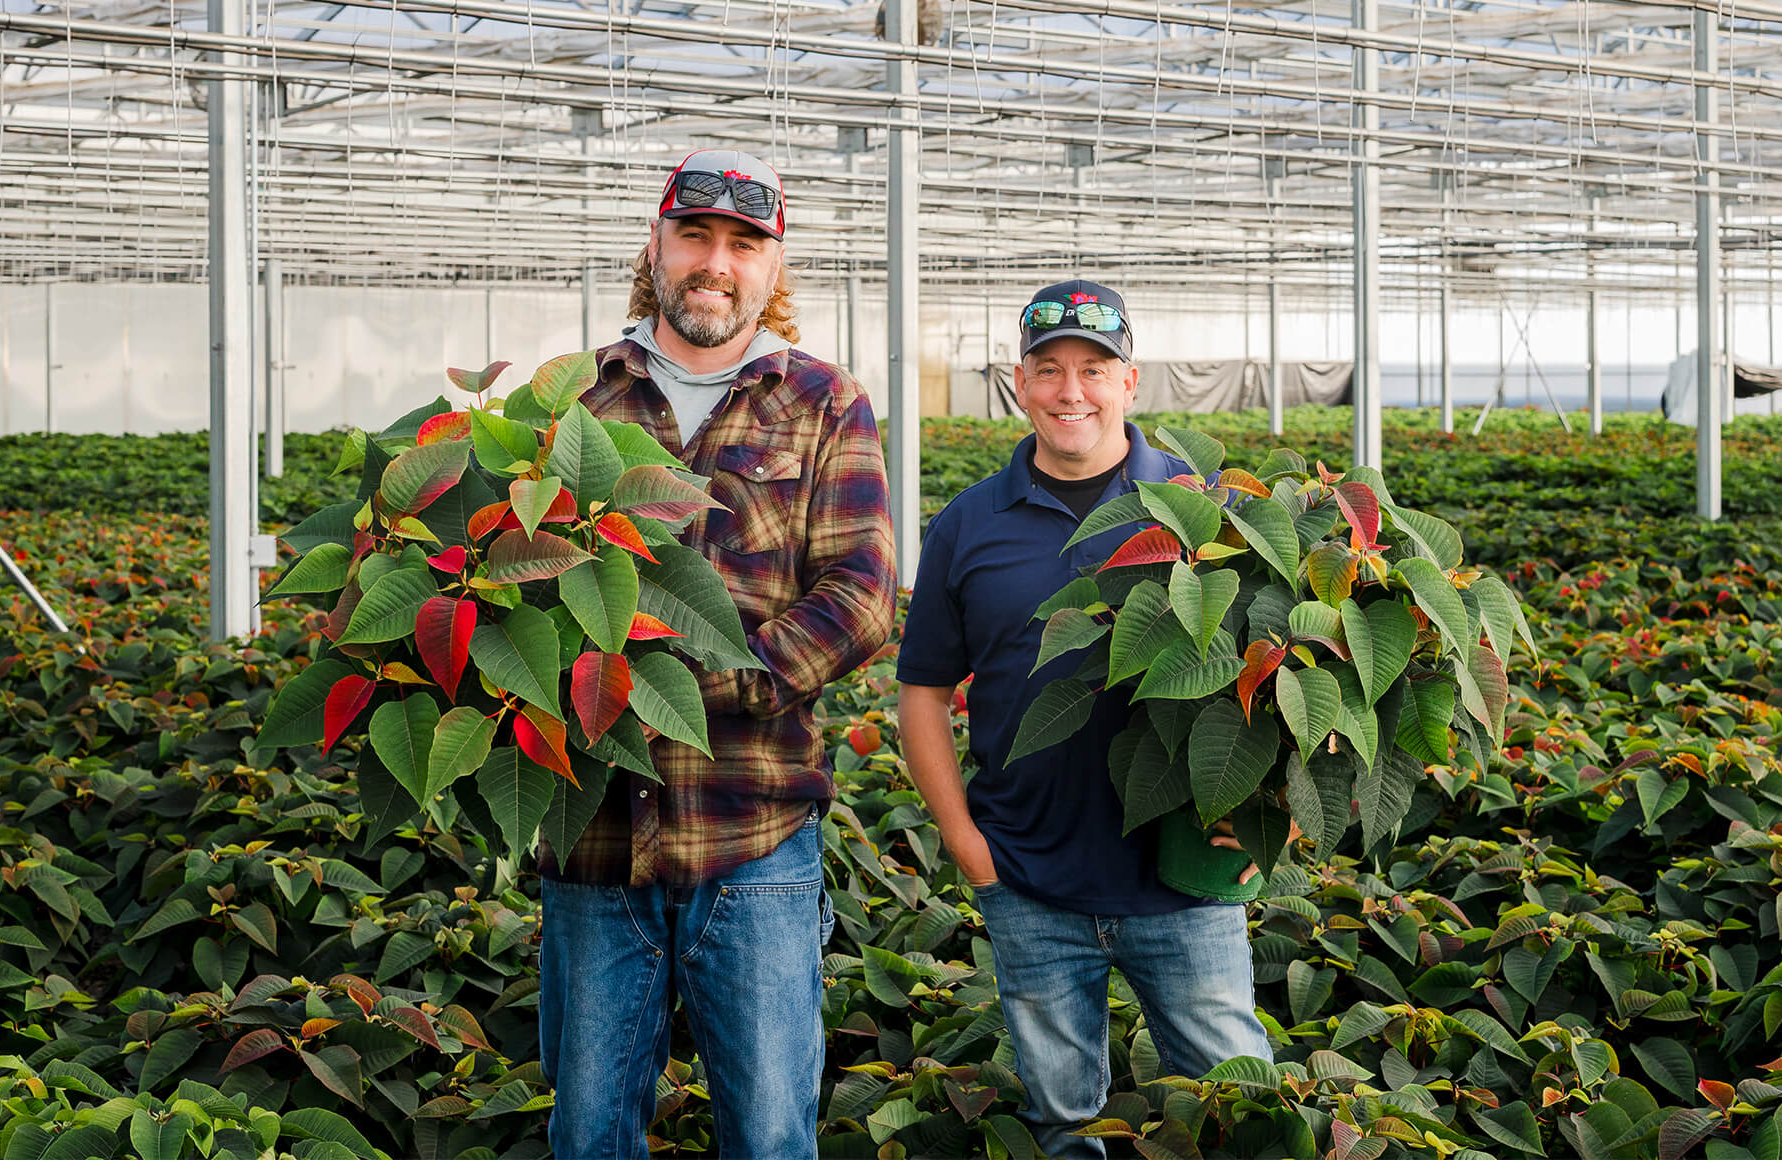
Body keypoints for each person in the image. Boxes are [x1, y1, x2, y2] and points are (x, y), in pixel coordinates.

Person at [536, 147, 895, 1159]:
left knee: (773, 1133)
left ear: (773, 268)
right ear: (654, 245)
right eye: (694, 236)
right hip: (594, 839)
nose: (715, 263)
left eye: (744, 244)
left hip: (757, 833)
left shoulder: (825, 402)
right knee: (588, 1130)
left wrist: (679, 684)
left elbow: (861, 597)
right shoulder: (573, 404)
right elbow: (506, 579)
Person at [894, 280, 1272, 1157]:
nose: (1072, 391)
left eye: (1094, 369)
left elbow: (1282, 677)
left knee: (1235, 1107)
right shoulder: (967, 524)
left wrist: (1263, 818)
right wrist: (965, 843)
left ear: (1131, 382)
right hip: (1027, 877)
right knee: (1062, 1120)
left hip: (1182, 882)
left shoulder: (1205, 509)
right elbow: (922, 692)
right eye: (1050, 369)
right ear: (1018, 384)